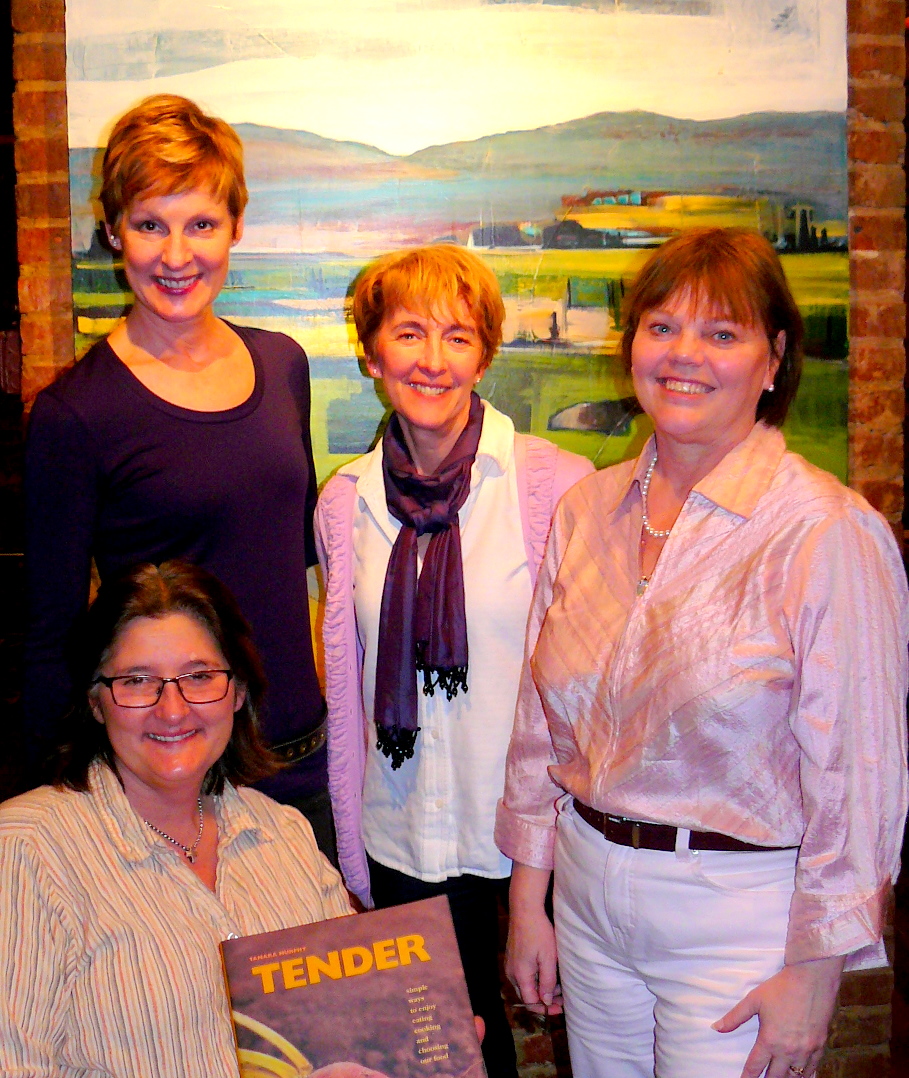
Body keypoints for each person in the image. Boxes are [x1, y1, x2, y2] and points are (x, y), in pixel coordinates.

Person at [495, 227, 909, 1078]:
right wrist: (528, 899)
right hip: (586, 892)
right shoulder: (586, 510)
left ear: (773, 359)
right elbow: (540, 725)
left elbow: (858, 777)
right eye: (662, 327)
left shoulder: (824, 531)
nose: (683, 354)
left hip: (738, 920)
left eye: (721, 333)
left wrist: (815, 972)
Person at [24, 95, 334, 859]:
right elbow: (52, 642)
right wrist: (54, 822)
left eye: (200, 224)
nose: (175, 256)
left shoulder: (281, 365)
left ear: (235, 227)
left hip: (302, 766)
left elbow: (298, 576)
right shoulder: (74, 414)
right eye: (149, 224)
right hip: (170, 786)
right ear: (112, 231)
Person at [316, 244, 593, 1077]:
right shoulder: (345, 502)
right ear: (371, 353)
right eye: (408, 333)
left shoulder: (555, 486)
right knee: (448, 1061)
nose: (432, 360)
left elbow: (584, 690)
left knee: (577, 1045)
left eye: (457, 336)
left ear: (483, 355)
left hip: (532, 841)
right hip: (404, 836)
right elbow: (349, 689)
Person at [0, 560, 352, 1078]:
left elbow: (353, 1030)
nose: (172, 710)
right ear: (96, 700)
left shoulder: (287, 835)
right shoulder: (25, 850)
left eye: (199, 677)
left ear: (238, 692)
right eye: (138, 681)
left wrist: (435, 1048)